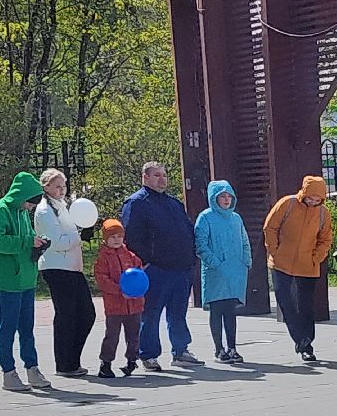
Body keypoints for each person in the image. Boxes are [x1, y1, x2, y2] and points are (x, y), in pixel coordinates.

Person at [121, 161, 200, 371]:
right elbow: (131, 237)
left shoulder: (174, 203)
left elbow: (187, 231)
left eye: (164, 175)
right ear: (145, 178)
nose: (162, 179)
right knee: (151, 314)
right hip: (155, 270)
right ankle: (148, 354)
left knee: (178, 312)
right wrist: (144, 263)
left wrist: (190, 258)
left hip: (181, 268)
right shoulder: (137, 203)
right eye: (157, 175)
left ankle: (181, 351)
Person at [0, 171, 51, 392]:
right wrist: (26, 242)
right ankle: (8, 373)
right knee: (8, 327)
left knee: (27, 328)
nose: (31, 207)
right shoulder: (1, 210)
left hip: (26, 278)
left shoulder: (22, 212)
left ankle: (32, 368)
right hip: (8, 280)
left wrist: (38, 245)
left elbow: (27, 238)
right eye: (30, 202)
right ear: (20, 196)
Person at [263, 175, 334, 363]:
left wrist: (316, 258)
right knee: (285, 301)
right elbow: (270, 228)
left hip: (307, 265)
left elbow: (326, 239)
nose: (313, 202)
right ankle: (299, 339)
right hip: (281, 263)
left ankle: (307, 344)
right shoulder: (287, 204)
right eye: (311, 198)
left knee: (305, 306)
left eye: (318, 200)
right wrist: (275, 251)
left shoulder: (323, 214)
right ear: (304, 193)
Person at [34, 168, 96, 378]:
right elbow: (57, 243)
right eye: (57, 186)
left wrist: (82, 232)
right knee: (67, 315)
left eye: (64, 186)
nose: (62, 190)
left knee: (86, 314)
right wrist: (80, 236)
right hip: (56, 268)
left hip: (71, 267)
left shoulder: (63, 207)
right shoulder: (44, 210)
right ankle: (65, 363)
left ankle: (72, 360)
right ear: (46, 187)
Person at [195, 180, 252, 364]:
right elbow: (201, 245)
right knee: (217, 311)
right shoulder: (205, 217)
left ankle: (233, 347)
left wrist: (246, 260)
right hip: (215, 273)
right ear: (214, 198)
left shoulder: (236, 218)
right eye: (222, 196)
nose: (226, 200)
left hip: (235, 271)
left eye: (229, 196)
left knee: (230, 311)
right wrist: (216, 264)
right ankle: (219, 349)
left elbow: (244, 240)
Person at [94, 219, 145, 378]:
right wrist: (119, 290)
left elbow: (139, 274)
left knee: (134, 335)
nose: (116, 239)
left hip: (134, 304)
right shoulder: (103, 258)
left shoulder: (131, 256)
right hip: (115, 305)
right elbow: (102, 279)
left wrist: (137, 289)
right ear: (105, 239)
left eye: (119, 236)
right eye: (112, 236)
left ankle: (132, 360)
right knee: (112, 335)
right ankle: (106, 363)